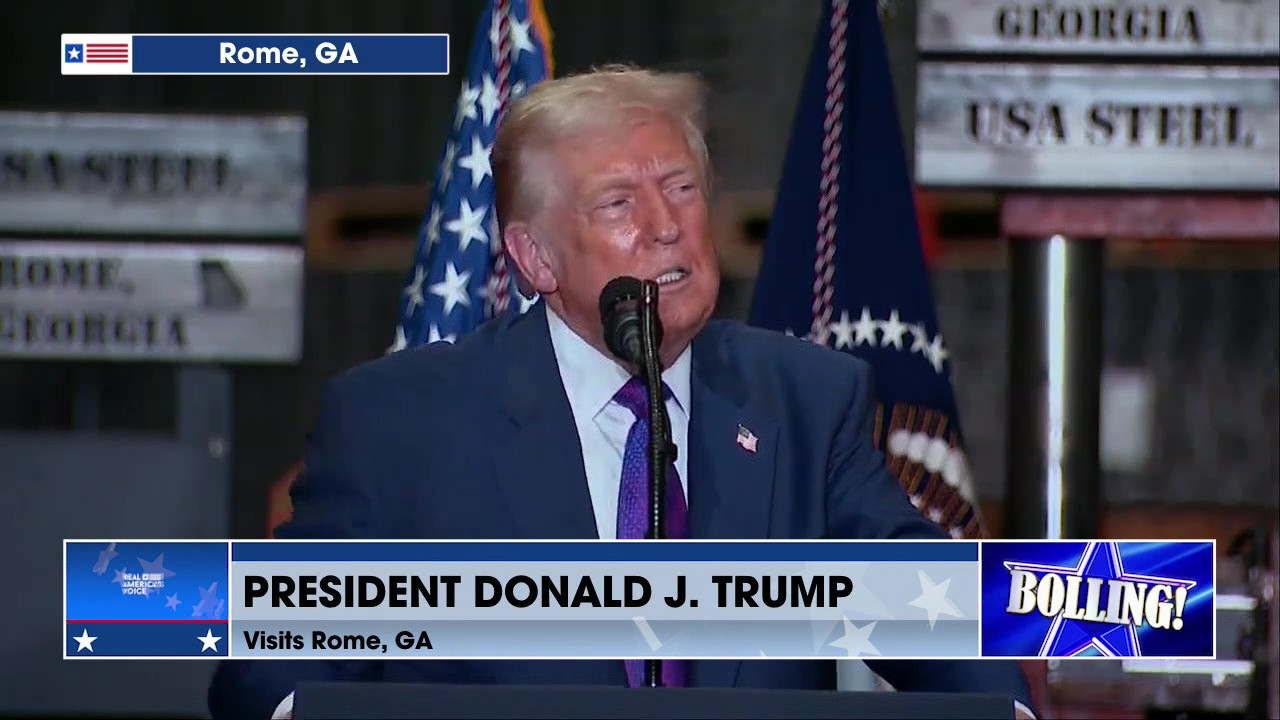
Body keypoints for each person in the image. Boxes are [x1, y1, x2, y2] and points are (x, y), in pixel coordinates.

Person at [208, 66, 1036, 720]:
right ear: (535, 260)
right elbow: (270, 665)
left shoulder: (806, 402)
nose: (666, 224)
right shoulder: (403, 422)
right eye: (617, 203)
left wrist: (1009, 707)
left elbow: (925, 600)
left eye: (680, 188)